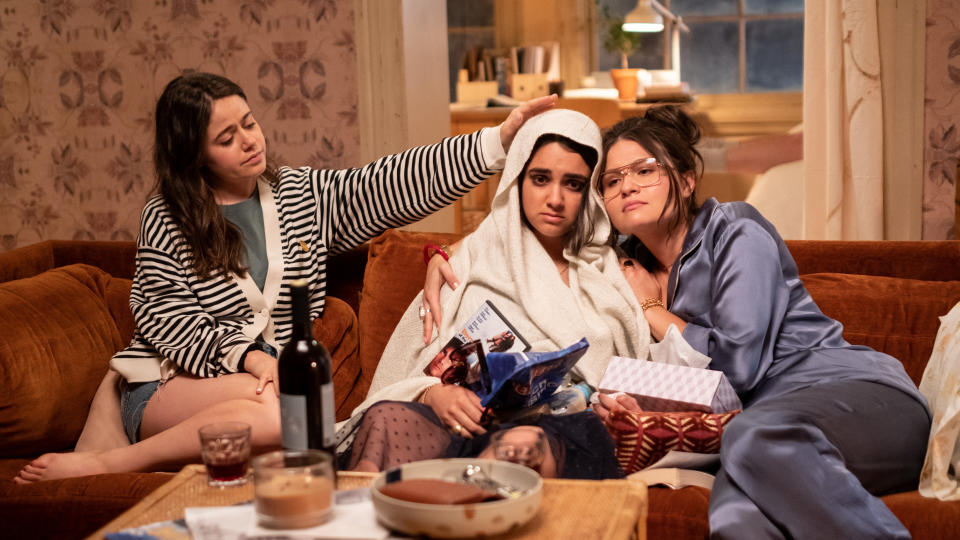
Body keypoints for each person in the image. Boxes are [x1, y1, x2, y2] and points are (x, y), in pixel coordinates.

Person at [14, 71, 555, 483]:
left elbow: (387, 184)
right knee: (289, 415)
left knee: (288, 420)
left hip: (261, 394)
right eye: (227, 137)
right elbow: (161, 315)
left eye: (249, 122)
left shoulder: (301, 195)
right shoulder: (167, 214)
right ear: (194, 155)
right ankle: (112, 461)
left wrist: (495, 142)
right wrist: (251, 354)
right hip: (171, 383)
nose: (250, 140)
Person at [591, 107, 930, 539]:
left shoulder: (733, 228)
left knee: (752, 437)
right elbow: (700, 394)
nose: (628, 186)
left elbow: (738, 368)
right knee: (735, 517)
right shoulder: (624, 273)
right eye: (612, 180)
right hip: (764, 440)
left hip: (866, 404)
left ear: (686, 179)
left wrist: (652, 307)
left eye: (645, 169)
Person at [339, 108, 650, 478]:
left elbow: (625, 378)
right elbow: (410, 368)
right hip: (463, 425)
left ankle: (475, 503)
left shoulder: (606, 274)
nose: (555, 198)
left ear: (590, 192)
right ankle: (358, 520)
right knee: (384, 418)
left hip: (557, 433)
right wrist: (430, 394)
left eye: (573, 184)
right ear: (517, 179)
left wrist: (613, 401)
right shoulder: (469, 260)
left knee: (521, 442)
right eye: (540, 179)